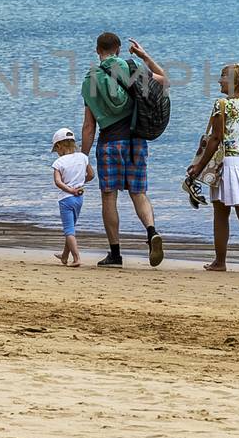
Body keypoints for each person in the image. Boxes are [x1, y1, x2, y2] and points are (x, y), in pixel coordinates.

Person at [81, 32, 168, 268]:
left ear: (97, 50)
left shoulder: (90, 79)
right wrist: (144, 56)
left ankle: (115, 254)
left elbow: (89, 126)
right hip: (136, 142)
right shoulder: (130, 67)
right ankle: (151, 233)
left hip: (110, 142)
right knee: (138, 193)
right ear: (118, 49)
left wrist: (83, 157)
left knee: (109, 196)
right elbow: (164, 80)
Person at [185, 63, 239, 273]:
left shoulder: (222, 104)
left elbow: (215, 139)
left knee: (221, 213)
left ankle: (220, 261)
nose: (219, 80)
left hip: (229, 163)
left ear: (232, 81)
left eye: (222, 77)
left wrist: (198, 166)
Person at [50, 127, 91, 267]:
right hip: (79, 198)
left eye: (56, 150)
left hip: (66, 199)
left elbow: (58, 182)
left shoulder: (59, 163)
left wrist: (70, 189)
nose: (57, 154)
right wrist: (79, 184)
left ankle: (77, 258)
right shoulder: (83, 157)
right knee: (71, 227)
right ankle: (65, 255)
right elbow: (91, 175)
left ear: (60, 146)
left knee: (69, 230)